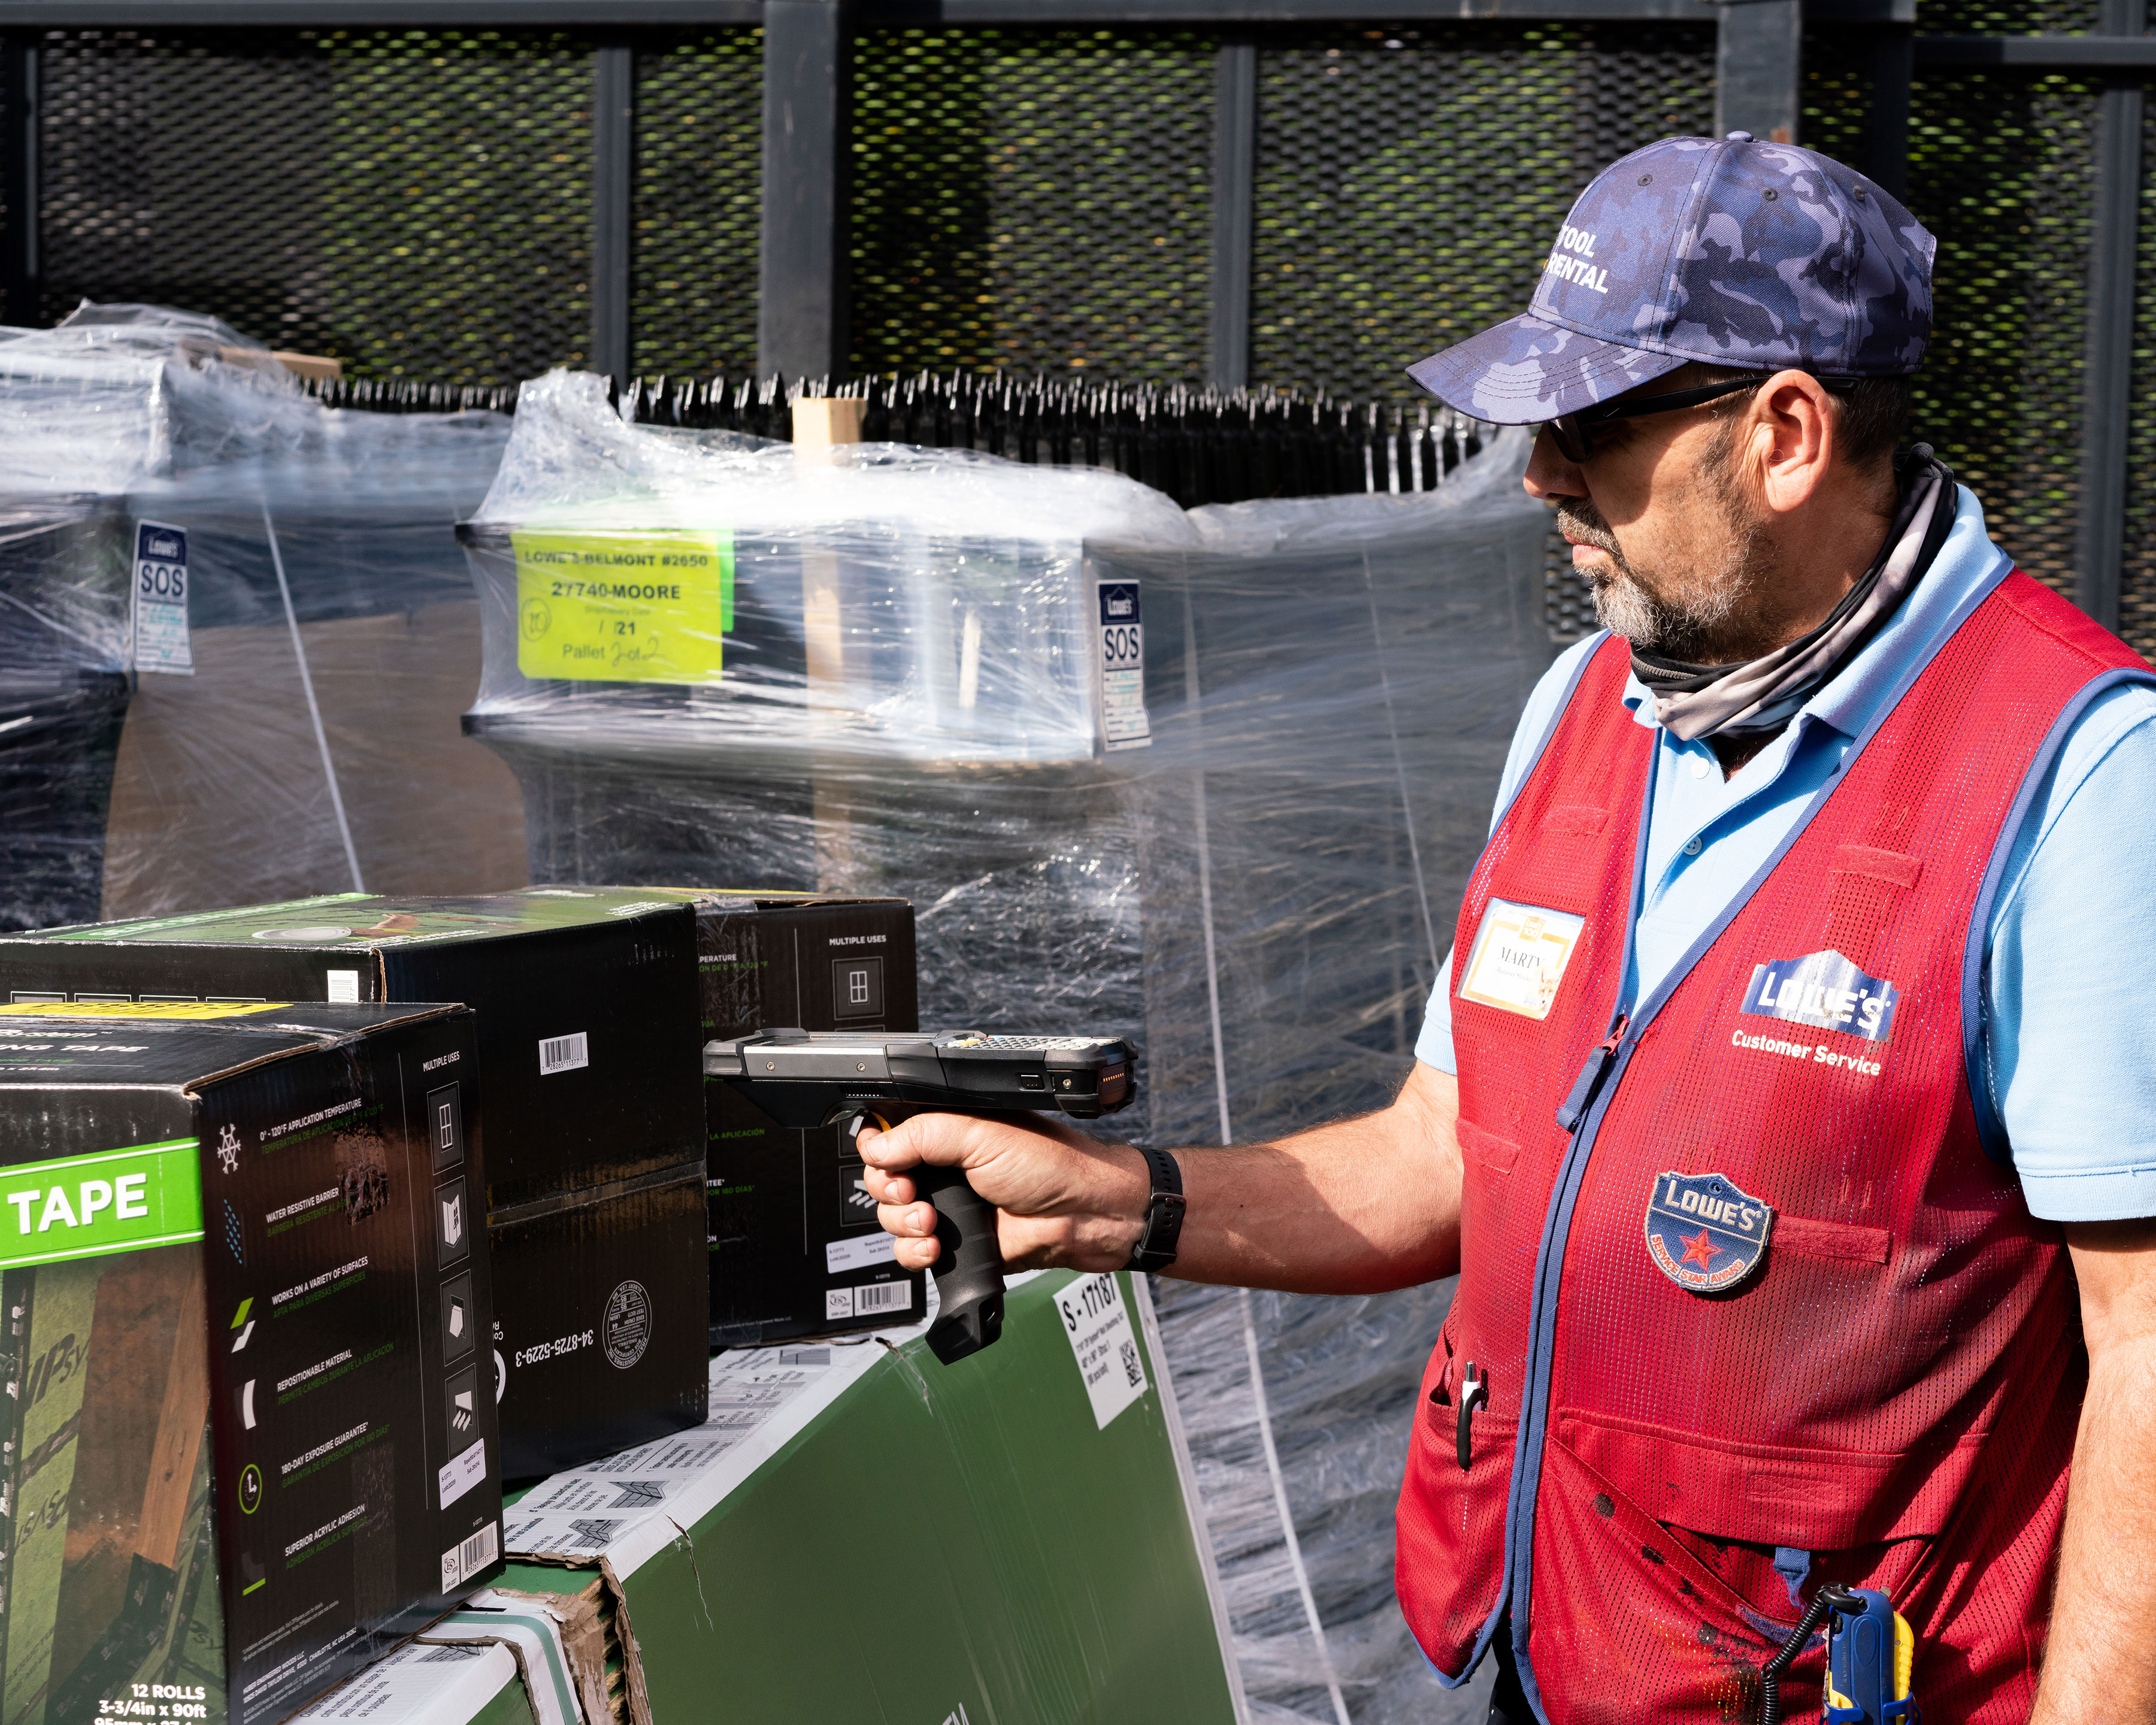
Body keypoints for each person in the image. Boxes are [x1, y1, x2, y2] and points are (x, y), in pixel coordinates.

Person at [859, 132, 2156, 1725]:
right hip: (1520, 1664)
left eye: (1591, 425)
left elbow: (2144, 1360)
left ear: (1788, 436)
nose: (1539, 473)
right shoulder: (1584, 711)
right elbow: (1452, 1149)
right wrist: (1114, 1204)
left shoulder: (2078, 783)